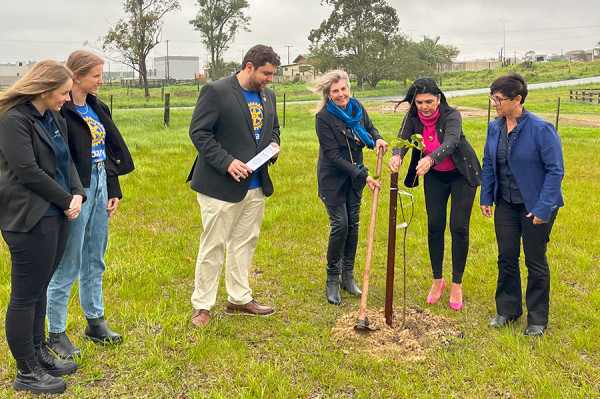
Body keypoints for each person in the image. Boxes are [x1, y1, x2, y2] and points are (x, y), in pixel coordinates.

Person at [0, 60, 85, 394]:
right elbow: (28, 171)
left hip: (56, 213)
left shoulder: (52, 116)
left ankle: (38, 354)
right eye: (64, 92)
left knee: (40, 288)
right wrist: (66, 200)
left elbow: (66, 160)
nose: (67, 98)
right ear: (46, 89)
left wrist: (77, 192)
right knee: (25, 295)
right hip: (29, 217)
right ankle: (26, 371)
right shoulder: (13, 120)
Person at [45, 50, 134, 359]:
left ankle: (95, 322)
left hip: (99, 183)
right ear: (77, 77)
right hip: (75, 189)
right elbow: (58, 158)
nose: (101, 80)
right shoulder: (60, 110)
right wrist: (72, 193)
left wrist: (113, 188)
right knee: (68, 262)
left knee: (95, 257)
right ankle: (56, 333)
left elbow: (106, 151)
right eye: (96, 75)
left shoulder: (96, 106)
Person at [187, 44, 281, 327]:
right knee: (213, 245)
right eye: (266, 73)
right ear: (249, 67)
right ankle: (202, 305)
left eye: (273, 74)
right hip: (219, 185)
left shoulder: (269, 97)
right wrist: (227, 162)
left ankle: (239, 298)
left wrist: (275, 145)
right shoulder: (216, 91)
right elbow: (199, 133)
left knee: (245, 242)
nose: (270, 79)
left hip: (255, 185)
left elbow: (273, 128)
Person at [480, 72, 564, 336]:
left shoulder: (542, 129)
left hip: (536, 206)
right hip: (505, 203)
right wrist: (486, 196)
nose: (495, 103)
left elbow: (555, 171)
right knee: (506, 256)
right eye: (492, 98)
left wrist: (543, 208)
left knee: (535, 261)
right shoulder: (494, 127)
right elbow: (488, 163)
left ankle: (537, 318)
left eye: (499, 99)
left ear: (517, 99)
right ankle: (508, 310)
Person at [388, 77, 481, 310]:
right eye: (419, 102)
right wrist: (397, 154)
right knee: (435, 225)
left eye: (429, 101)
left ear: (439, 98)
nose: (424, 106)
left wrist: (430, 158)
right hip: (435, 177)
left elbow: (450, 142)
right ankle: (437, 279)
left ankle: (456, 283)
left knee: (459, 227)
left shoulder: (452, 115)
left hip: (461, 175)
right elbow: (402, 139)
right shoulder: (412, 116)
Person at [314, 70, 388, 305]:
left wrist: (377, 138)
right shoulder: (323, 118)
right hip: (333, 179)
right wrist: (364, 176)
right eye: (334, 91)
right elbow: (334, 156)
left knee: (353, 225)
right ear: (328, 94)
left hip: (354, 178)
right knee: (340, 225)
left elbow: (370, 128)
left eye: (343, 89)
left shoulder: (357, 108)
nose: (340, 94)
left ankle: (348, 276)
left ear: (349, 89)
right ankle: (332, 279)